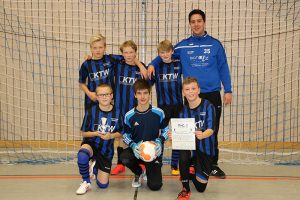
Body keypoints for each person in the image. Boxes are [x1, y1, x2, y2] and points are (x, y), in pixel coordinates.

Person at [149, 9, 232, 178]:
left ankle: (212, 164)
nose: (196, 24)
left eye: (199, 21)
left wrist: (228, 90)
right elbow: (166, 53)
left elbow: (223, 66)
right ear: (190, 24)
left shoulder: (215, 44)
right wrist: (152, 63)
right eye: (193, 21)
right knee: (190, 131)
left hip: (212, 94)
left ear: (204, 22)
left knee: (211, 130)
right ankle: (192, 163)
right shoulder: (183, 45)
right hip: (190, 96)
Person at [170, 77, 216, 200]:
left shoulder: (208, 106)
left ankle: (191, 171)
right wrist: (174, 135)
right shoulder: (182, 112)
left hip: (205, 150)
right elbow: (180, 135)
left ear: (199, 90)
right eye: (187, 89)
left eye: (193, 89)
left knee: (201, 188)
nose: (190, 92)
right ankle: (185, 188)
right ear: (183, 92)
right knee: (183, 152)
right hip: (190, 149)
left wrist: (203, 134)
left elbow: (211, 129)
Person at [120, 79, 169, 191]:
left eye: (145, 93)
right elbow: (125, 136)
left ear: (150, 94)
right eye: (139, 93)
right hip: (137, 151)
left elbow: (166, 130)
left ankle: (149, 169)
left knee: (155, 186)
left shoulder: (159, 112)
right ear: (135, 95)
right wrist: (132, 145)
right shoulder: (129, 115)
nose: (142, 97)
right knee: (124, 157)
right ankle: (139, 172)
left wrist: (159, 141)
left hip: (153, 153)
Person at [76, 83, 123, 195]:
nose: (104, 97)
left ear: (112, 95)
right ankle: (86, 182)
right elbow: (83, 133)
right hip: (92, 144)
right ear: (96, 97)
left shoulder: (117, 112)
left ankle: (95, 167)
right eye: (101, 95)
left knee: (103, 185)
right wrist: (95, 133)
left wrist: (111, 136)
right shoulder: (91, 112)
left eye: (107, 94)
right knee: (82, 154)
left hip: (106, 151)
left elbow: (122, 132)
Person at [147, 39, 183, 175]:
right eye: (162, 52)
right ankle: (159, 160)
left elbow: (182, 55)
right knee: (161, 135)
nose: (165, 54)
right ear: (158, 54)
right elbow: (148, 83)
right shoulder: (156, 67)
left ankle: (175, 164)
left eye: (168, 51)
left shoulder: (179, 63)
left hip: (179, 105)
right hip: (163, 107)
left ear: (172, 51)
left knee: (177, 135)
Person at [111, 40, 145, 175]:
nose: (129, 55)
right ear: (122, 54)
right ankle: (120, 164)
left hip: (135, 109)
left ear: (135, 53)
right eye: (125, 52)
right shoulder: (118, 64)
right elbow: (103, 57)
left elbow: (147, 82)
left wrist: (140, 65)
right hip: (120, 107)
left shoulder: (141, 69)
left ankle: (141, 162)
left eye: (131, 52)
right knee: (120, 136)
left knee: (138, 134)